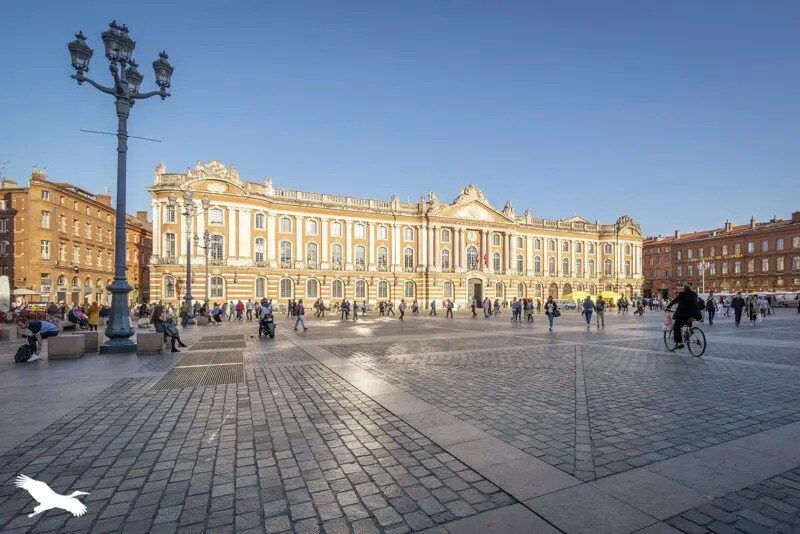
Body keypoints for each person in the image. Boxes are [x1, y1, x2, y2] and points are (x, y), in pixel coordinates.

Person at [665, 284, 702, 349]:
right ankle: (688, 337)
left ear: (684, 289)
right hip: (694, 314)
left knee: (676, 327)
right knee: (688, 326)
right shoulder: (694, 294)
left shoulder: (682, 294)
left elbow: (674, 301)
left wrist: (667, 307)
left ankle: (680, 343)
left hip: (683, 315)